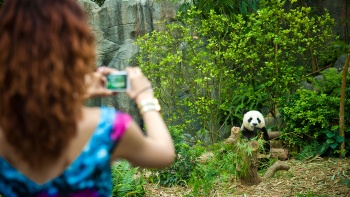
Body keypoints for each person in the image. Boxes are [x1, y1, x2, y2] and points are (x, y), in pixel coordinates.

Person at [0, 0, 175, 196]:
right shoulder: (107, 128)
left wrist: (72, 93)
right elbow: (164, 154)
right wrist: (145, 98)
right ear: (77, 48)